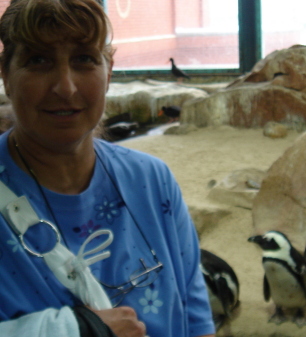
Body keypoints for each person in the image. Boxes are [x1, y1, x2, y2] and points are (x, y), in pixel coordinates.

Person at [0, 0, 215, 336]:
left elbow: (195, 315)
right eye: (38, 60)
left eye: (84, 59)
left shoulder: (153, 180)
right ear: (6, 74)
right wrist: (74, 330)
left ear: (109, 70)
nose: (65, 87)